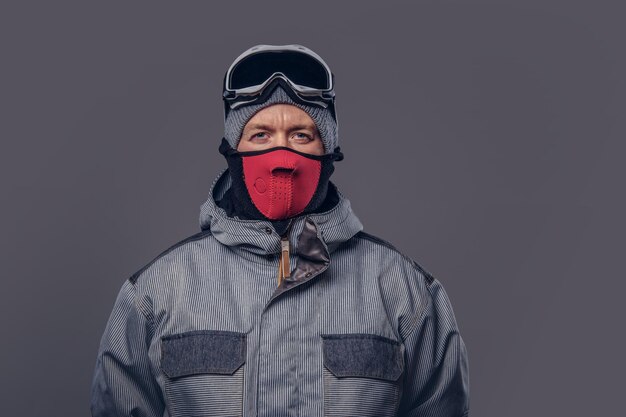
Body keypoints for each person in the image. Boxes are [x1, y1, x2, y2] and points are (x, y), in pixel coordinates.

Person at [90, 44, 470, 417]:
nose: (282, 154)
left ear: (329, 152)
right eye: (260, 135)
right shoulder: (157, 293)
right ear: (231, 150)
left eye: (301, 136)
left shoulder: (406, 292)